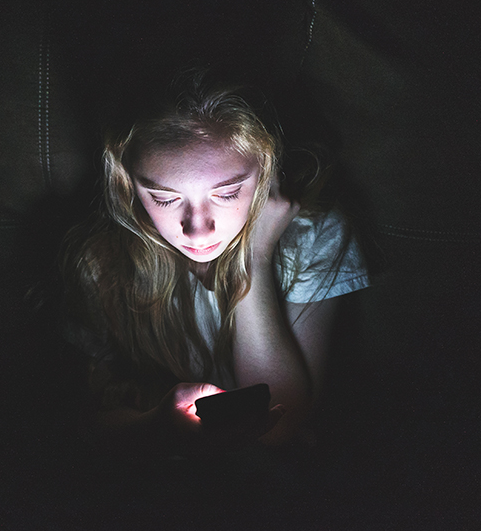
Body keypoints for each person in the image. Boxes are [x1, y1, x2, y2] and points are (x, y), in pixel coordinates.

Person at [62, 73, 368, 457]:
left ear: (267, 175)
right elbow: (81, 421)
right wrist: (157, 425)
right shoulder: (102, 259)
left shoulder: (313, 237)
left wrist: (254, 261)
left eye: (227, 192)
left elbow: (280, 423)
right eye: (164, 198)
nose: (196, 228)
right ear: (128, 184)